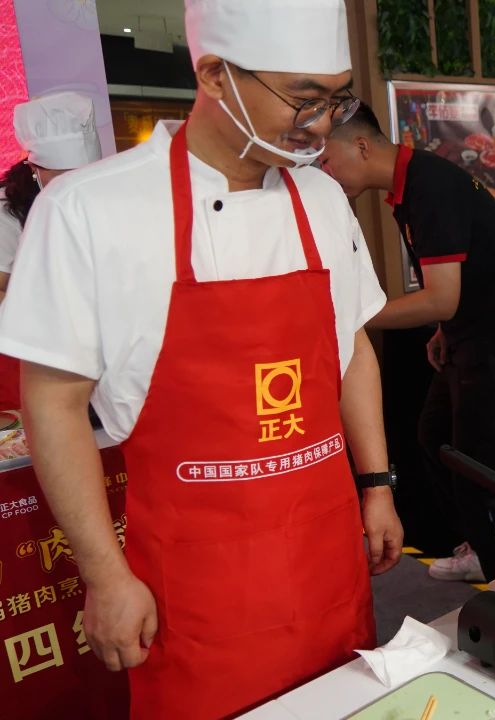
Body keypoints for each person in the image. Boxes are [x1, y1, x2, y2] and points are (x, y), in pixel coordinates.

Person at [0, 1, 402, 716]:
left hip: (326, 561)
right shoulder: (91, 209)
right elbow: (52, 402)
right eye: (303, 98)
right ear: (215, 75)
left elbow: (353, 351)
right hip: (196, 588)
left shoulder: (322, 199)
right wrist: (104, 575)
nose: (321, 125)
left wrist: (376, 484)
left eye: (336, 99)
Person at [320, 102, 495, 583]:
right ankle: (482, 548)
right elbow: (457, 283)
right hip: (469, 334)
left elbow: (442, 297)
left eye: (326, 159)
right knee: (434, 437)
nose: (325, 172)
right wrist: (444, 329)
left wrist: (357, 318)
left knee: (474, 467)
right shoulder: (410, 185)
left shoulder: (429, 186)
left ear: (361, 146)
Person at [0, 91, 103, 409]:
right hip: (32, 354)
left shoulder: (103, 195)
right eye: (61, 176)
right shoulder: (7, 212)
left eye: (84, 175)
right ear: (33, 167)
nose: (74, 185)